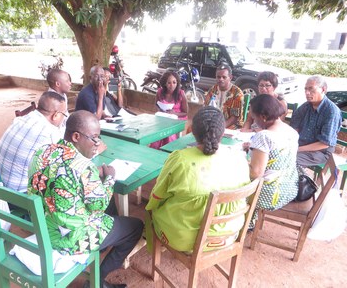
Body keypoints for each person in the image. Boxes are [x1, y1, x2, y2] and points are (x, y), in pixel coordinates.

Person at [28, 110, 143, 288]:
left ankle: (104, 244)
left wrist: (93, 178)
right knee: (135, 227)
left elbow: (59, 176)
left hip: (44, 225)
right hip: (69, 240)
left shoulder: (43, 151)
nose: (97, 144)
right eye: (95, 138)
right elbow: (99, 205)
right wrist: (110, 177)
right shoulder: (83, 167)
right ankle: (96, 281)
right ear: (76, 136)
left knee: (108, 204)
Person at [145, 107, 250, 252]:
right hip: (229, 234)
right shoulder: (239, 158)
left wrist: (150, 209)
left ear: (192, 131)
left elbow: (157, 195)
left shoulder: (180, 159)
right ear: (223, 133)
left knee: (151, 212)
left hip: (185, 240)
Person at [0, 91, 66, 193]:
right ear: (56, 115)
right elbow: (63, 167)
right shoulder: (51, 132)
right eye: (64, 114)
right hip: (20, 197)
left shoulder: (20, 120)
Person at [246, 94, 299, 227]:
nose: (253, 120)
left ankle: (243, 223)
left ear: (263, 116)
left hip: (268, 196)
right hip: (288, 190)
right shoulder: (292, 132)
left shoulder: (264, 136)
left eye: (254, 116)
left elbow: (255, 173)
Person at [290, 75, 342, 167]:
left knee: (288, 159)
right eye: (305, 89)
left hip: (320, 152)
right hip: (301, 145)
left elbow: (325, 143)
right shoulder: (305, 107)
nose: (307, 93)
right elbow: (294, 129)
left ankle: (299, 180)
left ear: (323, 89)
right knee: (276, 153)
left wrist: (297, 149)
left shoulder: (331, 111)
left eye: (311, 89)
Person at [150, 70, 188, 149]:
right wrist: (160, 110)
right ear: (164, 83)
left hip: (177, 119)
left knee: (168, 131)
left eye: (174, 82)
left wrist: (174, 113)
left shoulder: (181, 93)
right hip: (163, 118)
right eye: (169, 83)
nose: (172, 85)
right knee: (157, 130)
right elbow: (156, 104)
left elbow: (185, 112)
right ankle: (155, 149)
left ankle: (168, 149)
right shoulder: (160, 92)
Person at [204, 64, 244, 129]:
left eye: (224, 77)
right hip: (214, 124)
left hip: (232, 126)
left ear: (230, 77)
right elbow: (206, 109)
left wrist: (220, 127)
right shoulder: (212, 90)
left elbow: (234, 118)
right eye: (218, 77)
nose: (221, 79)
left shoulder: (237, 93)